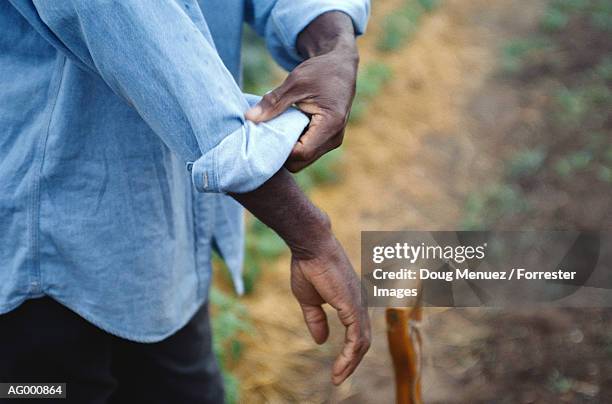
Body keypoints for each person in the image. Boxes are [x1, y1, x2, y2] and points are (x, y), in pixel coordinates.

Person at [0, 1, 371, 403]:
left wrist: (334, 43)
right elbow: (131, 25)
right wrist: (310, 237)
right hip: (46, 256)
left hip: (164, 246)